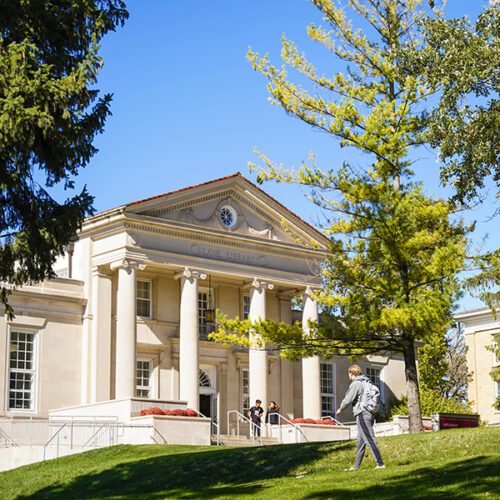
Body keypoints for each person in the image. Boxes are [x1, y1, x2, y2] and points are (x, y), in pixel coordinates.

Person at [337, 364, 385, 470]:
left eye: (348, 374)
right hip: (370, 413)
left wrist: (340, 408)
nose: (348, 376)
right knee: (361, 442)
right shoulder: (366, 382)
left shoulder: (356, 384)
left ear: (352, 373)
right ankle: (356, 466)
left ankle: (380, 463)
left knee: (369, 439)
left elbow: (348, 399)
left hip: (362, 414)